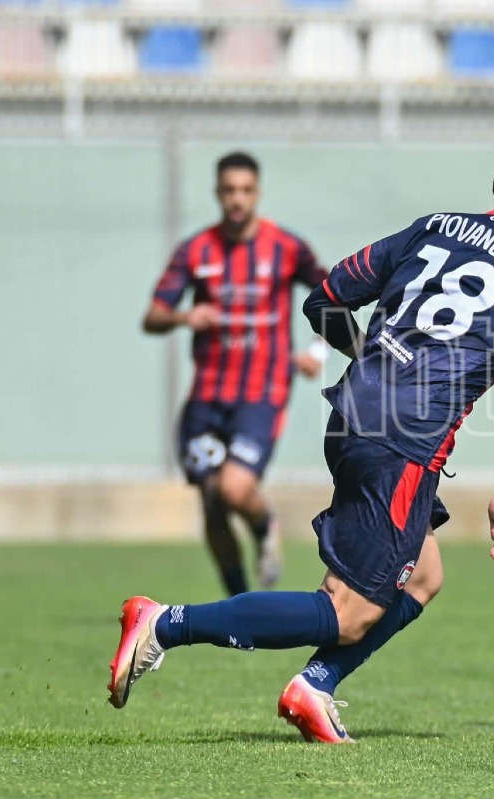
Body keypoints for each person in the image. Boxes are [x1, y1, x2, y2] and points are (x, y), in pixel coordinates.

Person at [109, 126, 494, 745]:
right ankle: (165, 624)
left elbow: (325, 299)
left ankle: (314, 687)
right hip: (405, 440)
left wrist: (374, 357)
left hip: (353, 415)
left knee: (422, 575)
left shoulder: (433, 227)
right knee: (349, 611)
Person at [143, 151, 329, 596]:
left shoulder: (286, 247)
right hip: (207, 397)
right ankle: (239, 603)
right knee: (210, 504)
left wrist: (319, 352)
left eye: (245, 190)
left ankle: (265, 525)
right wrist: (185, 318)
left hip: (262, 392)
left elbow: (332, 295)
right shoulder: (196, 250)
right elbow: (153, 315)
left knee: (232, 488)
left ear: (257, 193)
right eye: (229, 190)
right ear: (217, 193)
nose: (237, 199)